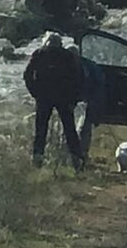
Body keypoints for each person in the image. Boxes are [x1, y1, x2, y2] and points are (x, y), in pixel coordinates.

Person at [23, 33, 85, 171]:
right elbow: (77, 77)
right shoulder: (67, 56)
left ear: (46, 43)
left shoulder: (39, 54)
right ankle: (77, 161)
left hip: (44, 97)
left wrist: (35, 92)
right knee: (70, 130)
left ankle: (37, 161)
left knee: (41, 131)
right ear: (60, 44)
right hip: (63, 97)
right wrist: (73, 98)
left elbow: (27, 75)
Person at [68, 44, 106, 158]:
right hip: (73, 101)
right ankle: (73, 154)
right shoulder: (65, 65)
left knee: (84, 128)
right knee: (73, 128)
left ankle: (82, 154)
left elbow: (97, 85)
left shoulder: (88, 67)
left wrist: (92, 103)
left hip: (86, 101)